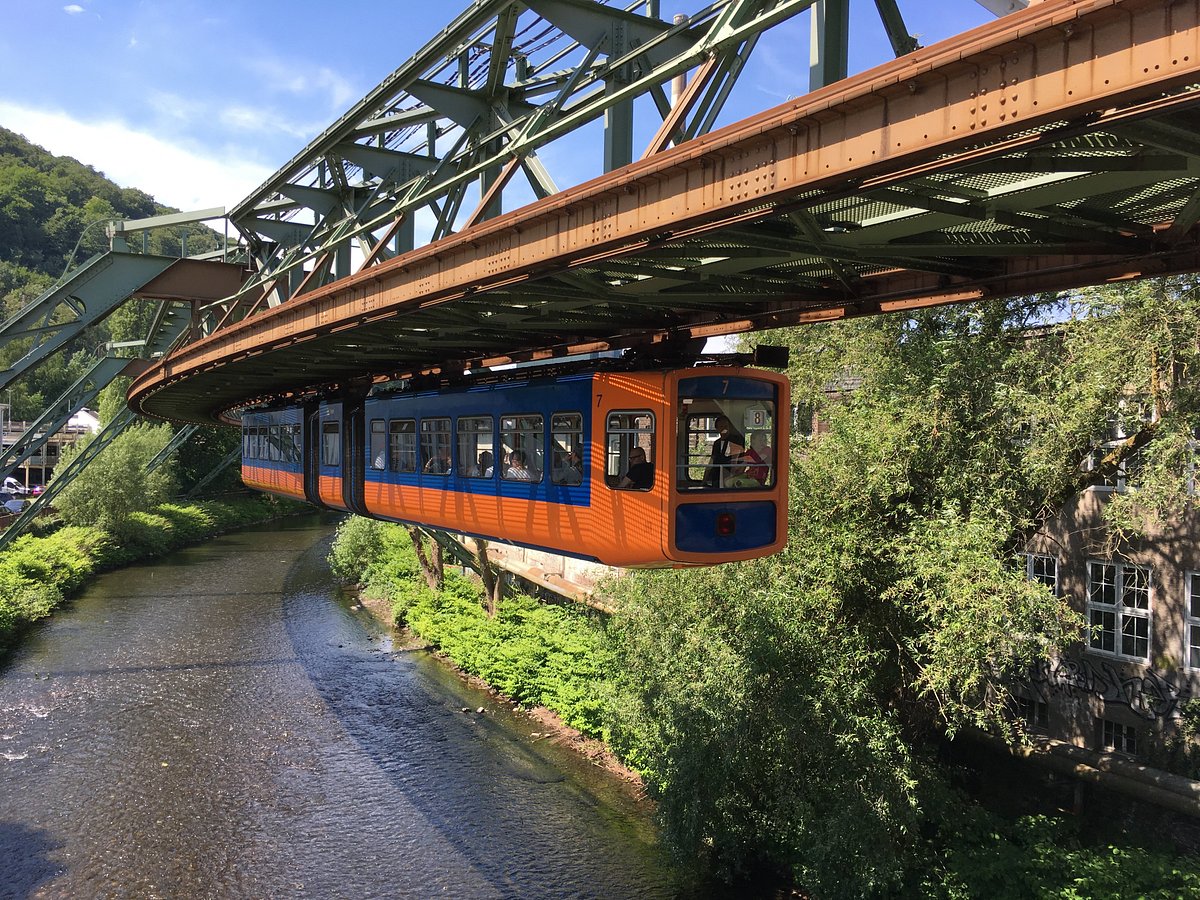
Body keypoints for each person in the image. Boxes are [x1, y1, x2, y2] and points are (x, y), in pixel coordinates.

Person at [705, 415, 744, 487]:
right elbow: (712, 460)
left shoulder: (736, 440)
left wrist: (732, 478)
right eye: (721, 427)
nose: (724, 429)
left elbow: (734, 461)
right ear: (717, 429)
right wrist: (705, 478)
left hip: (729, 475)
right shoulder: (717, 443)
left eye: (726, 426)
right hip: (716, 474)